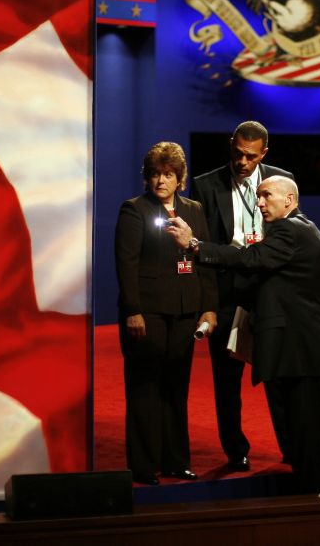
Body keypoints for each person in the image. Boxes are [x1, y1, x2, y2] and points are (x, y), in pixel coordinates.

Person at [168, 176, 320, 494]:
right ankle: (308, 501)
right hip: (305, 351)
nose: (259, 203)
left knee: (306, 436)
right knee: (304, 435)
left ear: (290, 199)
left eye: (266, 196)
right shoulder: (305, 228)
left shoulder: (290, 229)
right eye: (258, 196)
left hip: (300, 352)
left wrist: (195, 245)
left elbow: (250, 259)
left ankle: (311, 507)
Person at [189, 121, 295, 471]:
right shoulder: (205, 185)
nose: (243, 162)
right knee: (226, 382)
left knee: (277, 376)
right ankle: (236, 451)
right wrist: (207, 306)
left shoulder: (281, 182)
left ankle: (290, 447)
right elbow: (203, 250)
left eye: (251, 156)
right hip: (226, 291)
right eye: (237, 153)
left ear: (264, 153)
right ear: (230, 145)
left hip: (269, 291)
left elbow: (291, 240)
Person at [115, 142, 217, 486]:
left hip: (186, 312)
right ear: (147, 178)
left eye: (168, 174)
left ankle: (175, 461)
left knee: (176, 388)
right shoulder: (134, 210)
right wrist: (133, 311)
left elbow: (204, 262)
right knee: (145, 387)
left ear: (180, 178)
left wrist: (209, 307)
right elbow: (126, 264)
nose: (161, 181)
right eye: (156, 174)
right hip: (147, 313)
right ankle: (143, 465)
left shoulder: (195, 210)